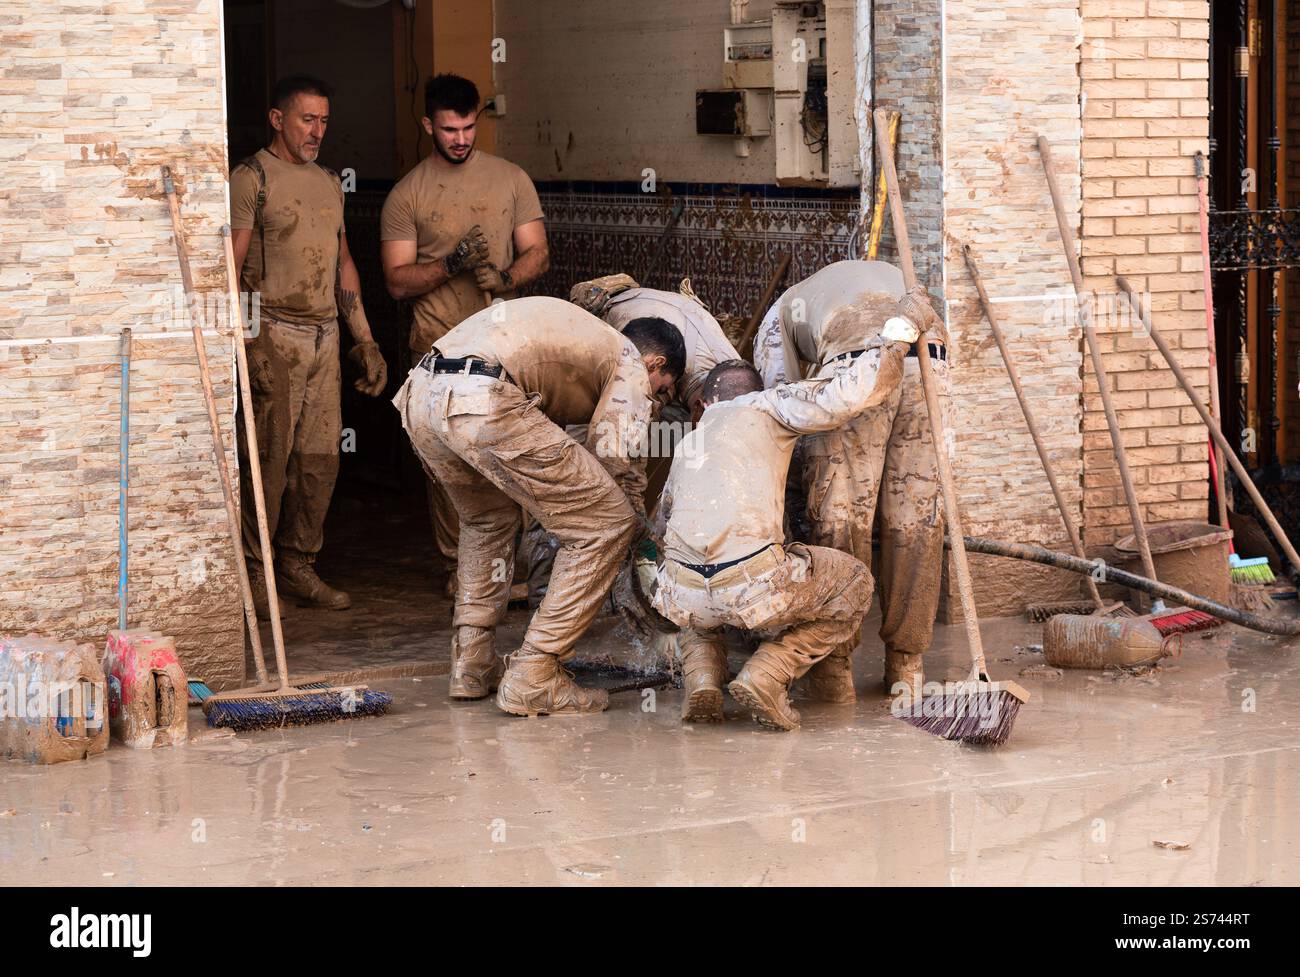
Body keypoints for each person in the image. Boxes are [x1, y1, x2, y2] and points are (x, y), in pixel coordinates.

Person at [394, 296, 685, 715]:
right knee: (606, 526)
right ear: (655, 364)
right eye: (664, 389)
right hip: (483, 397)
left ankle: (472, 661)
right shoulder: (630, 365)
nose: (658, 400)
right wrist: (640, 537)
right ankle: (535, 671)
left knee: (487, 521)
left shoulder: (586, 346)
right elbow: (611, 459)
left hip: (422, 395)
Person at [651, 297, 920, 729]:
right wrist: (899, 335)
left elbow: (661, 528)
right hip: (750, 587)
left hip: (681, 594)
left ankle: (702, 680)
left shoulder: (688, 441)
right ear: (757, 392)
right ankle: (767, 674)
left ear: (702, 402)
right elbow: (847, 395)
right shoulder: (770, 405)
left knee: (693, 589)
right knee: (854, 583)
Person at [381, 72, 548, 589]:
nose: (461, 139)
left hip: (502, 345)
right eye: (450, 129)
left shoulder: (511, 178)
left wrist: (506, 276)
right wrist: (450, 263)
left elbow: (537, 251)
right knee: (449, 461)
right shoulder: (408, 194)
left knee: (507, 450)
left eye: (469, 128)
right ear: (429, 124)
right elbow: (395, 282)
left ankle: (512, 567)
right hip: (437, 346)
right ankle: (462, 568)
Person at [753, 260, 948, 701]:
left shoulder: (779, 313)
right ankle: (907, 667)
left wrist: (802, 482)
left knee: (841, 518)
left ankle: (834, 671)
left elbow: (780, 406)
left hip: (856, 368)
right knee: (916, 522)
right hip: (932, 363)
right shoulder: (874, 274)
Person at [230, 74, 388, 615]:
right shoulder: (251, 179)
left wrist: (363, 338)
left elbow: (343, 263)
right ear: (278, 119)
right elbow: (230, 269)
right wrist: (248, 345)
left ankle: (298, 565)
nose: (317, 130)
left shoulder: (327, 181)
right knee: (268, 465)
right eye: (306, 119)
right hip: (273, 333)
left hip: (324, 339)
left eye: (323, 120)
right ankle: (256, 574)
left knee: (319, 462)